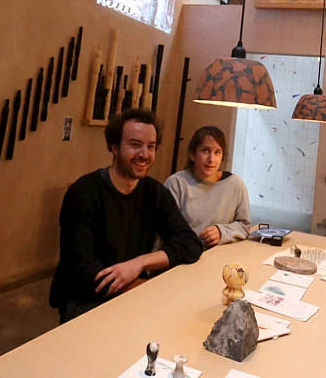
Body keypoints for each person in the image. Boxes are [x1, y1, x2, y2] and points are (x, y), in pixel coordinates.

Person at [48, 109, 203, 323]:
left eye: (151, 147)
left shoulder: (154, 192)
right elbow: (82, 269)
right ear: (114, 147)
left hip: (131, 292)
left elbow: (190, 244)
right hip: (85, 298)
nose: (144, 154)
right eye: (135, 145)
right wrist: (142, 287)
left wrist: (140, 263)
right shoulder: (83, 193)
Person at [164, 126, 251, 248]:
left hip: (220, 253)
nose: (211, 159)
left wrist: (222, 232)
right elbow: (165, 229)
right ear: (192, 154)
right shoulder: (176, 183)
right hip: (183, 253)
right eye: (205, 151)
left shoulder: (235, 184)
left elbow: (244, 226)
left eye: (217, 152)